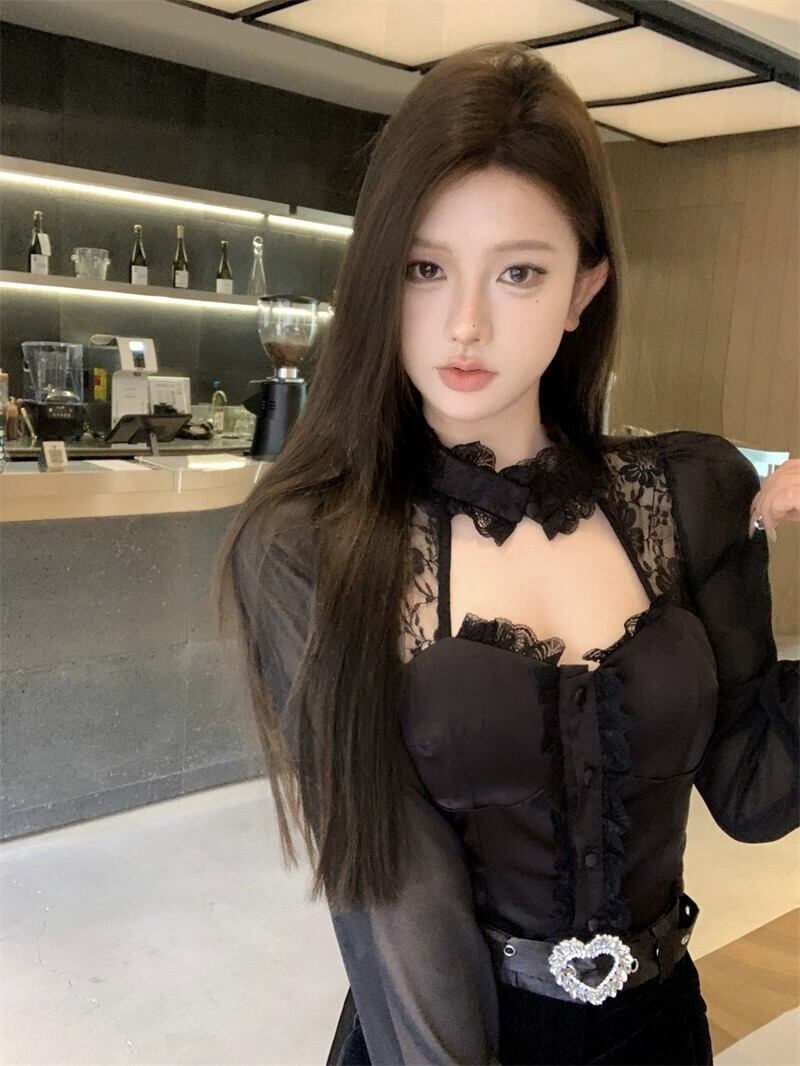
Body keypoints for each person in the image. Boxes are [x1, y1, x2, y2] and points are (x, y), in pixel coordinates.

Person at [212, 41, 800, 1066]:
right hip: (449, 1036)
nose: (465, 323)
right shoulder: (311, 544)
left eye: (519, 271)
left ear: (583, 288)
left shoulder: (688, 494)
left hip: (661, 1032)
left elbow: (757, 793)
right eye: (424, 268)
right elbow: (395, 899)